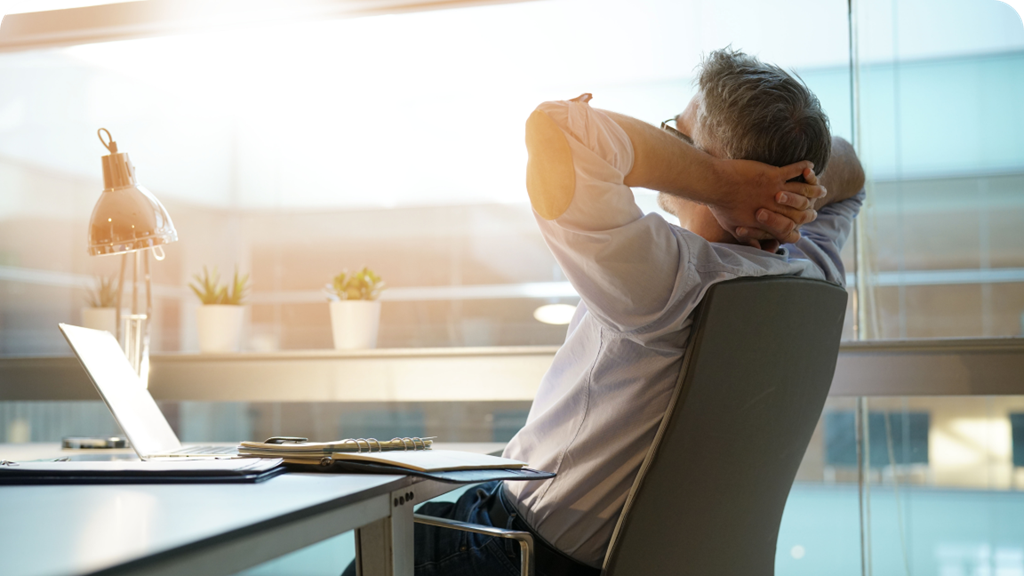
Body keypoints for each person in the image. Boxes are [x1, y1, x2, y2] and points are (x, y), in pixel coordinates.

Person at [346, 48, 866, 576]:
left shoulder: (669, 279)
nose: (672, 149)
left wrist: (724, 183)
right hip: (618, 555)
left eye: (677, 136)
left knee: (371, 554)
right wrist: (785, 187)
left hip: (523, 552)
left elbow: (556, 130)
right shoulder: (811, 272)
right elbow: (852, 170)